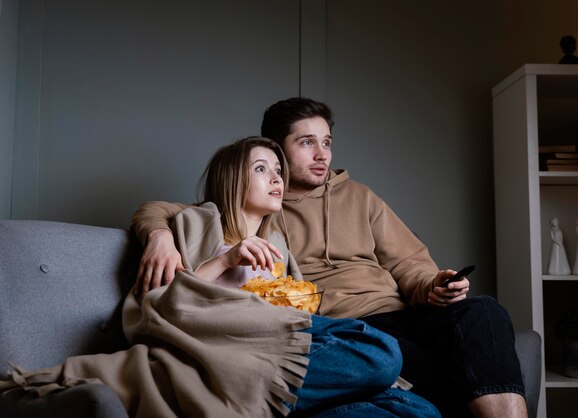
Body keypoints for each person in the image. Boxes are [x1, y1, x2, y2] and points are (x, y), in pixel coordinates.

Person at [131, 98, 527, 418]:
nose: (322, 154)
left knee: (484, 313)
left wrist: (434, 285)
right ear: (276, 148)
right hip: (345, 327)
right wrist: (159, 236)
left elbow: (410, 264)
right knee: (426, 372)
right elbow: (162, 211)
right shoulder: (259, 202)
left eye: (327, 142)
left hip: (402, 311)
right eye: (306, 142)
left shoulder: (361, 198)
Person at [163, 136, 439, 417]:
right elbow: (171, 303)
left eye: (278, 171)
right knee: (382, 354)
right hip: (243, 348)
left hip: (289, 346)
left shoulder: (278, 247)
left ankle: (269, 404)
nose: (276, 179)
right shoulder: (201, 227)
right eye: (261, 169)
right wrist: (226, 259)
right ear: (232, 180)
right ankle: (250, 396)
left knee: (420, 409)